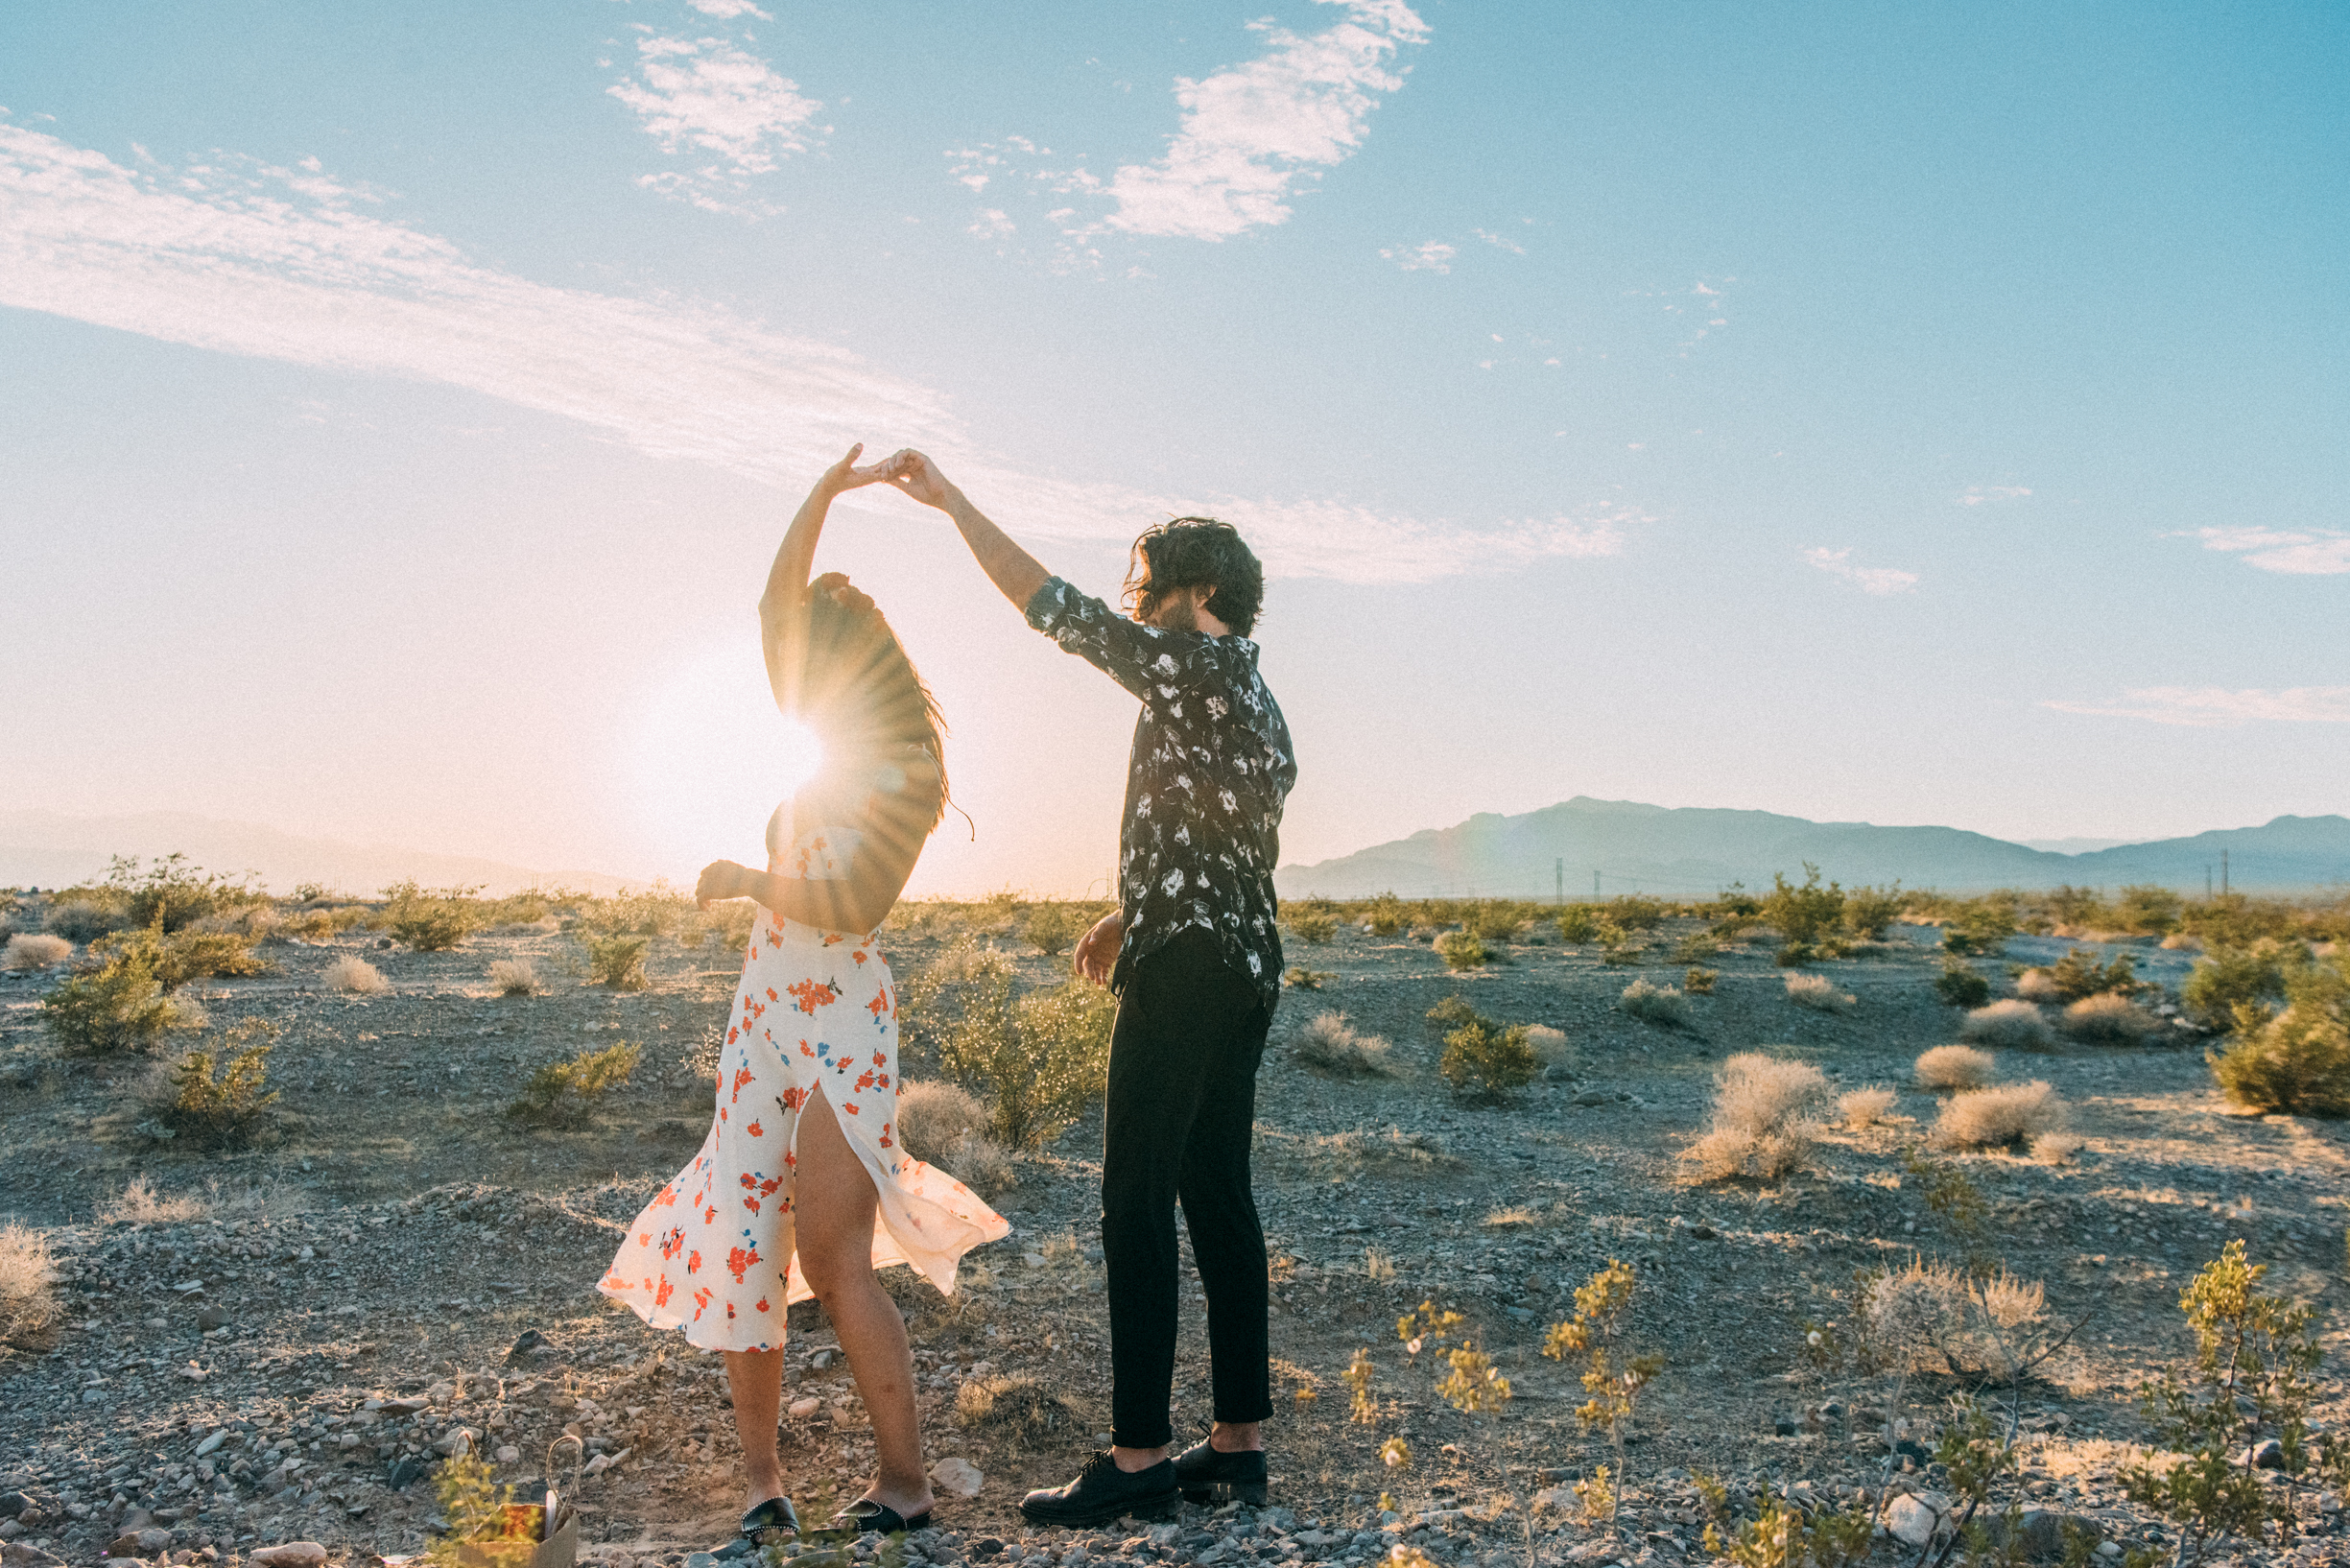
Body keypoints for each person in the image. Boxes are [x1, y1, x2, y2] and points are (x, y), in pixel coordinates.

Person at [598, 445, 1009, 1558]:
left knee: (830, 1255)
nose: (793, 660)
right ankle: (764, 1484)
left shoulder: (904, 775)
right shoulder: (814, 737)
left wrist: (747, 876)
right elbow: (770, 601)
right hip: (761, 1018)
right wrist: (822, 496)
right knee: (746, 1244)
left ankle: (906, 1481)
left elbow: (854, 895)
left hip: (839, 1028)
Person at [879, 448, 1296, 1528]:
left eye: (1149, 589)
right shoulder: (1255, 697)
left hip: (1191, 965)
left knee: (1132, 1197)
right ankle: (1237, 1444)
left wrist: (954, 503)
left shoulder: (1188, 666)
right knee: (1216, 1190)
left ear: (1198, 593)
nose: (1138, 608)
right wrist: (1132, 907)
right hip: (1246, 962)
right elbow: (1229, 832)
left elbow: (1049, 608)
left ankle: (1138, 1455)